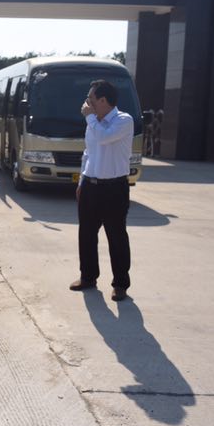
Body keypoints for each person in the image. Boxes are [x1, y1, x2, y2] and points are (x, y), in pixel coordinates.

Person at [69, 79, 134, 302]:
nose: (87, 104)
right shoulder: (94, 123)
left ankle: (120, 284)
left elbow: (104, 138)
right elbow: (88, 153)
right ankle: (88, 277)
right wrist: (81, 182)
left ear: (103, 100)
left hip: (114, 187)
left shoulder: (123, 120)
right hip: (91, 185)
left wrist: (89, 117)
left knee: (116, 236)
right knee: (86, 233)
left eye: (91, 99)